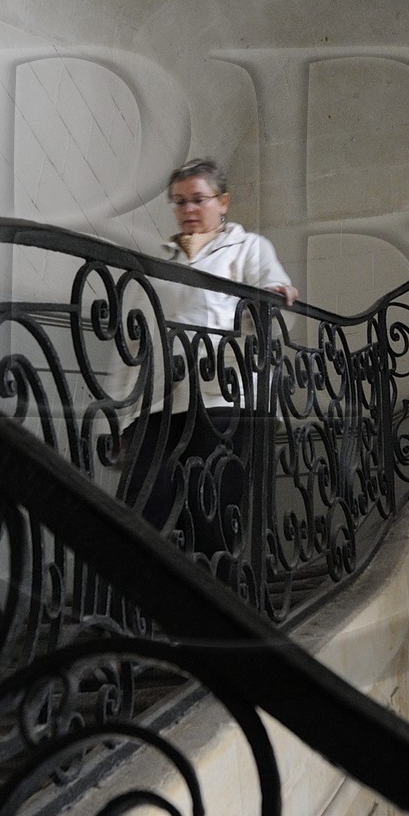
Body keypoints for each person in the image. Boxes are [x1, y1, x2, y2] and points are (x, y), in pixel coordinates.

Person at [118, 158, 296, 571]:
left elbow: (270, 300)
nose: (188, 210)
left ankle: (218, 600)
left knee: (209, 505)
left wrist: (270, 296)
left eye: (198, 199)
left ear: (223, 201)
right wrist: (122, 414)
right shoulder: (157, 261)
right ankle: (136, 608)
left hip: (223, 395)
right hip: (159, 402)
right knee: (144, 501)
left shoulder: (250, 247)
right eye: (179, 202)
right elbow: (133, 341)